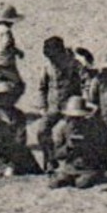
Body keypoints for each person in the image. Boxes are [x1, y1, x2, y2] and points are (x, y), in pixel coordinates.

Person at [37, 35, 82, 173]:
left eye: (54, 57)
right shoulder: (47, 67)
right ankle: (50, 161)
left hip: (71, 109)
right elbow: (42, 87)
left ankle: (71, 163)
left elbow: (86, 82)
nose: (52, 60)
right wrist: (42, 106)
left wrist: (82, 102)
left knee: (66, 134)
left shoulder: (74, 64)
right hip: (53, 107)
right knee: (42, 130)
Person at [48, 96, 103, 189]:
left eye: (79, 118)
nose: (76, 121)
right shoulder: (62, 129)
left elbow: (100, 153)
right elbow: (56, 154)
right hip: (69, 168)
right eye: (73, 117)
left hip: (88, 168)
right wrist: (68, 147)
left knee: (82, 183)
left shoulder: (92, 128)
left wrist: (85, 146)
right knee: (55, 183)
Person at [0, 6, 26, 103]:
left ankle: (1, 103)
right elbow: (7, 45)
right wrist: (17, 52)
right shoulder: (6, 31)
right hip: (6, 63)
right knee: (19, 85)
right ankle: (7, 104)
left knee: (3, 83)